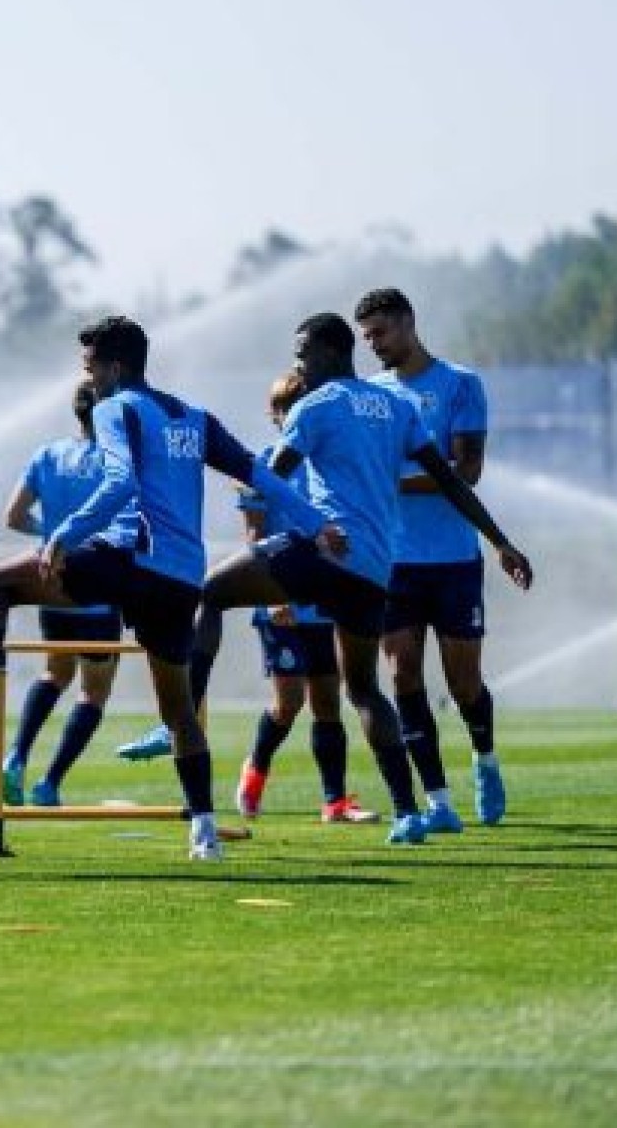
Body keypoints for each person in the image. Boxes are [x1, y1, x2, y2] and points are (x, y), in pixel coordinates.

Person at [0, 315, 339, 862]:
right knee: (179, 716)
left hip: (128, 559)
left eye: (90, 367)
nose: (87, 379)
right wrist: (316, 525)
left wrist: (64, 533)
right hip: (179, 581)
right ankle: (205, 832)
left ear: (114, 367)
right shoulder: (194, 417)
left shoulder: (113, 407)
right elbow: (259, 476)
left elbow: (119, 480)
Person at [185, 313, 532, 846]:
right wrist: (501, 541)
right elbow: (451, 483)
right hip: (375, 569)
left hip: (325, 553)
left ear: (329, 351)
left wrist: (244, 492)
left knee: (212, 589)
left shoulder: (315, 407)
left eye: (303, 353)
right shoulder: (396, 407)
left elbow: (269, 475)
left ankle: (179, 720)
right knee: (367, 690)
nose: (298, 365)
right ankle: (408, 814)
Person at [358, 287, 506, 828]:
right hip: (392, 562)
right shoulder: (369, 397)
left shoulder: (460, 385)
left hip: (452, 559)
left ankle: (485, 759)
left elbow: (465, 472)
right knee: (402, 677)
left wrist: (389, 480)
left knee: (464, 683)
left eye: (381, 333)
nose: (374, 345)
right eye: (367, 337)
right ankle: (438, 801)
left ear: (409, 323)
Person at [0, 380, 167, 809]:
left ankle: (16, 758)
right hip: (99, 590)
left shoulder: (49, 454)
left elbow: (13, 516)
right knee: (93, 692)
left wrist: (52, 535)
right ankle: (49, 782)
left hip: (53, 583)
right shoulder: (121, 462)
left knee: (54, 673)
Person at [231, 370, 377, 825]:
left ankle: (335, 802)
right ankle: (255, 771)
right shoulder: (267, 467)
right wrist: (276, 597)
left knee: (329, 702)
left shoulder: (328, 467)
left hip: (322, 600)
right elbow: (255, 538)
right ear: (274, 415)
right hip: (280, 602)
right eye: (284, 409)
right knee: (289, 703)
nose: (290, 417)